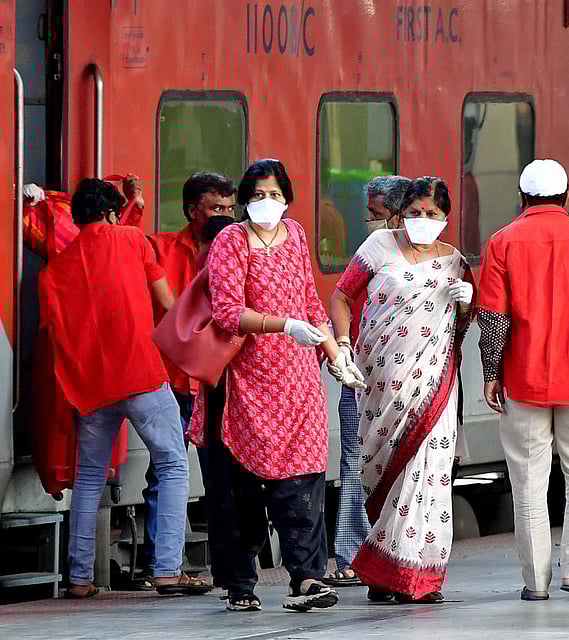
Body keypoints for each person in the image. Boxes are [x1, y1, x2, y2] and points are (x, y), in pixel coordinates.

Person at [186, 159, 364, 613]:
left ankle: (306, 578)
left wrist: (333, 350)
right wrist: (284, 326)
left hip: (297, 381)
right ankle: (240, 584)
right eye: (259, 195)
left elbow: (308, 295)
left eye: (276, 195)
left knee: (302, 479)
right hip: (245, 381)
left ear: (288, 197)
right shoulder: (231, 240)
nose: (268, 204)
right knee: (240, 486)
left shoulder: (297, 235)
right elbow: (227, 312)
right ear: (245, 199)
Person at [39, 179, 210, 598]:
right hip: (141, 373)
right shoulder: (133, 240)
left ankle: (79, 579)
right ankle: (167, 569)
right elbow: (169, 304)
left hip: (90, 386)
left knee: (90, 476)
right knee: (172, 464)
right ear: (114, 213)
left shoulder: (57, 266)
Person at [478, 159, 569, 602]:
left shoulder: (502, 242)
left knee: (528, 483)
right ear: (565, 198)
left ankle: (536, 581)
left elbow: (493, 316)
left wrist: (492, 373)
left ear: (522, 198)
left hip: (523, 380)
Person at [330, 177, 475, 603]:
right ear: (400, 214)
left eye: (431, 215)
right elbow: (341, 298)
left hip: (431, 385)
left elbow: (462, 326)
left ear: (445, 218)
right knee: (379, 473)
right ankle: (385, 574)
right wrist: (342, 345)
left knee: (426, 475)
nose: (422, 221)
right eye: (414, 213)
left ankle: (420, 577)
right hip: (377, 381)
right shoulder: (376, 249)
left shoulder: (454, 261)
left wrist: (466, 301)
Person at [137, 172, 236, 589]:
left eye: (231, 209)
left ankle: (230, 561)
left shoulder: (241, 250)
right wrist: (132, 205)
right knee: (166, 473)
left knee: (227, 473)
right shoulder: (160, 247)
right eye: (216, 208)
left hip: (220, 382)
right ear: (192, 211)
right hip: (174, 380)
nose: (225, 216)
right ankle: (162, 566)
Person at [323, 175, 413, 588]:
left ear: (396, 213)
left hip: (408, 374)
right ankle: (353, 553)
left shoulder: (424, 256)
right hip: (362, 370)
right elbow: (340, 297)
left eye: (376, 215)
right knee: (356, 462)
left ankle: (391, 552)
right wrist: (341, 345)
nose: (370, 223)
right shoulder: (369, 254)